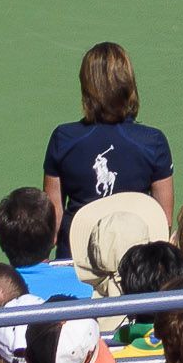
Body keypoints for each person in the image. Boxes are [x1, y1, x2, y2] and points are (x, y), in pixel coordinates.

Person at [40, 45, 174, 261]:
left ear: (86, 86)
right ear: (129, 84)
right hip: (134, 264)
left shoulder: (63, 138)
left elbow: (52, 222)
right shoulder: (153, 142)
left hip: (77, 261)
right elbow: (163, 221)